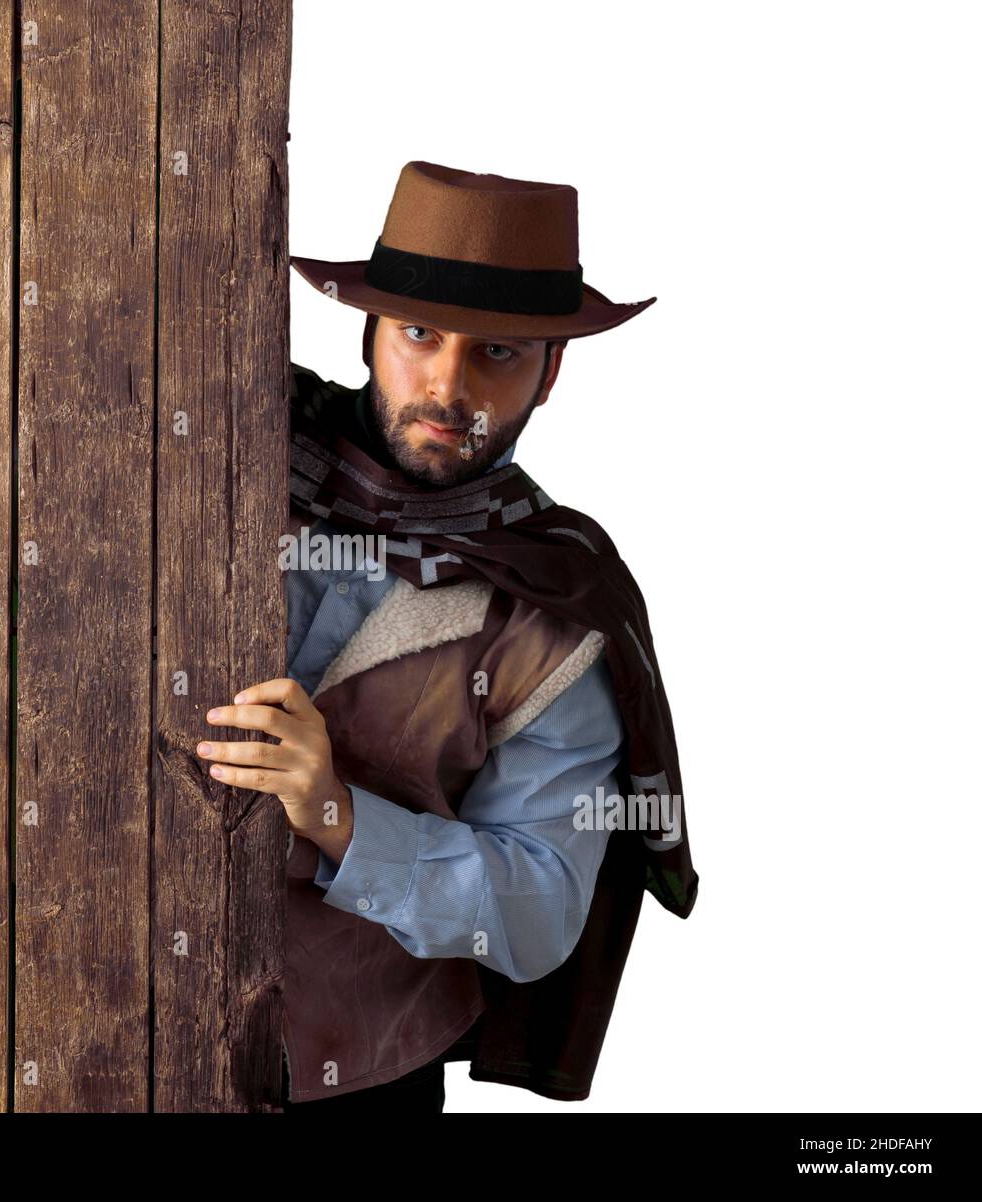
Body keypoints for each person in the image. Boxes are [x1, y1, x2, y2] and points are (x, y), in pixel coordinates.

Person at [196, 162, 698, 1111]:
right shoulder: (211, 445)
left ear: (550, 374)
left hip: (355, 1073)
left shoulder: (553, 606)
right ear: (370, 332)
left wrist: (337, 814)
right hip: (82, 1014)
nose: (446, 386)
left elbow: (540, 907)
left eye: (498, 353)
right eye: (420, 336)